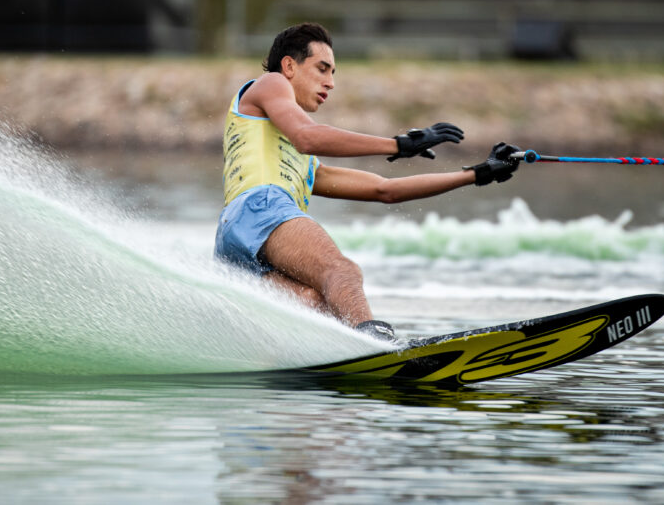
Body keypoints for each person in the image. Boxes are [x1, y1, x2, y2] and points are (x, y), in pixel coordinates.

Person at [214, 22, 520, 341]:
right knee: (343, 272)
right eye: (322, 69)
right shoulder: (271, 82)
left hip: (233, 242)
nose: (330, 83)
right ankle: (374, 344)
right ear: (289, 65)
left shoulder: (304, 168)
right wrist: (398, 144)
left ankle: (318, 362)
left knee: (313, 302)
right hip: (258, 211)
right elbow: (307, 136)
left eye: (333, 73)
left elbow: (384, 190)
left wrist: (477, 173)